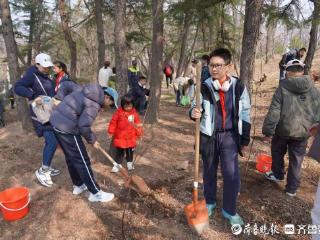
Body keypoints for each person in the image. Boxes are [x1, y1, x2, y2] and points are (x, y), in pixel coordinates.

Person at [189, 48, 251, 226]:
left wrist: (244, 139)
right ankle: (209, 202)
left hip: (230, 136)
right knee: (208, 171)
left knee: (231, 175)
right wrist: (193, 112)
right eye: (211, 65)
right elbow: (193, 105)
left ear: (228, 66)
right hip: (208, 136)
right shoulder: (203, 85)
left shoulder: (238, 86)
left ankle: (229, 210)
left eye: (218, 65)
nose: (213, 69)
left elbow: (245, 112)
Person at [50, 84, 118, 203]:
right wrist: (92, 140)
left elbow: (70, 90)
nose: (110, 107)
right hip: (67, 128)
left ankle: (78, 185)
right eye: (111, 104)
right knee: (82, 160)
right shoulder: (94, 103)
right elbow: (83, 125)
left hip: (56, 122)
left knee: (71, 158)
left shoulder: (87, 91)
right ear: (107, 97)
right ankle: (96, 193)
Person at [262, 59, 320, 197]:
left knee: (277, 153)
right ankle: (291, 189)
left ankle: (278, 174)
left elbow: (274, 111)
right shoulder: (313, 89)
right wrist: (314, 126)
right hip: (303, 132)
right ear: (301, 71)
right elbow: (318, 110)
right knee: (296, 161)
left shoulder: (282, 87)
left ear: (288, 72)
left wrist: (268, 131)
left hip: (282, 131)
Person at [14, 53, 60, 188]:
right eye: (44, 66)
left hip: (50, 112)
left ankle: (47, 165)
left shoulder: (46, 75)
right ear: (37, 64)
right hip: (40, 115)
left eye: (48, 66)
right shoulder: (31, 75)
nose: (47, 69)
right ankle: (43, 171)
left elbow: (49, 91)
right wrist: (32, 95)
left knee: (50, 141)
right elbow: (17, 87)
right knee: (52, 141)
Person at [108, 94, 142, 173]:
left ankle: (129, 163)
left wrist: (139, 133)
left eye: (130, 106)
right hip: (120, 137)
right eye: (126, 106)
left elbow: (138, 124)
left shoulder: (134, 114)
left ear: (133, 105)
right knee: (119, 152)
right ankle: (117, 164)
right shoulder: (118, 112)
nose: (128, 108)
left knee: (130, 151)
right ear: (122, 105)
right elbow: (113, 122)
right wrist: (111, 131)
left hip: (131, 137)